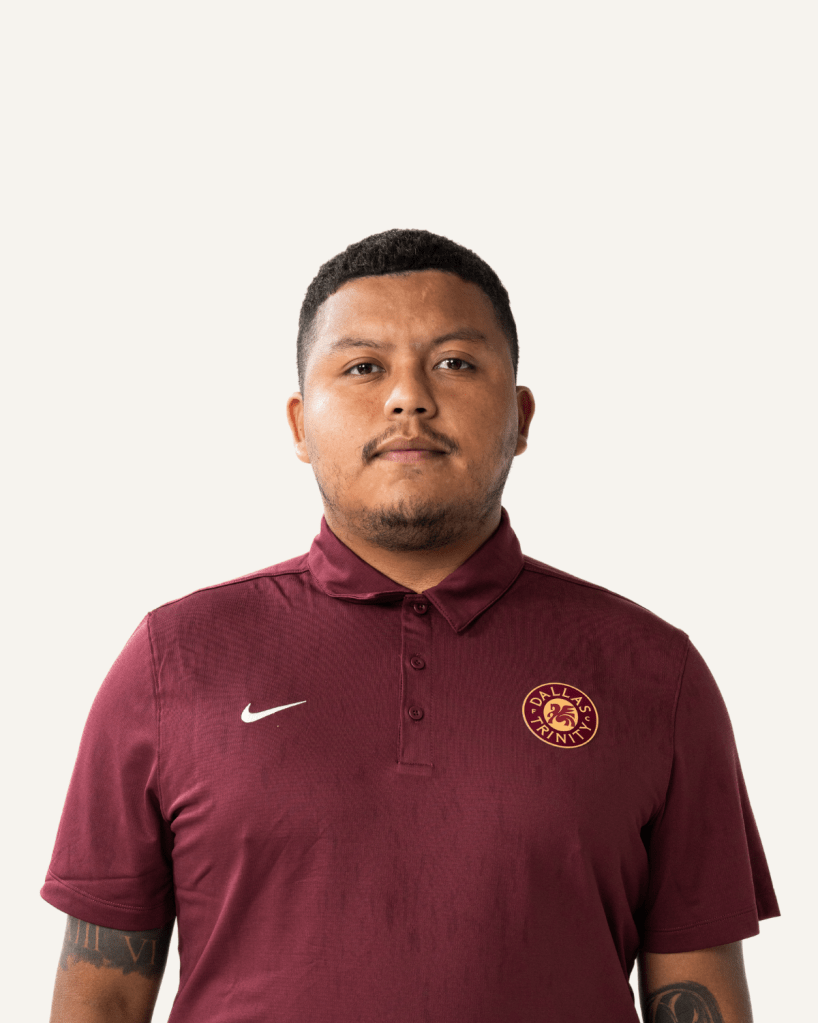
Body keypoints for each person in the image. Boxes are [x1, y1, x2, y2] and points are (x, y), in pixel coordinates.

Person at [43, 228, 779, 1023]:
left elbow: (698, 994)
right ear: (299, 424)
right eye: (363, 366)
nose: (408, 398)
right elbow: (102, 998)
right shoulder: (174, 661)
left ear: (521, 416)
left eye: (455, 363)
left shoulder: (654, 673)